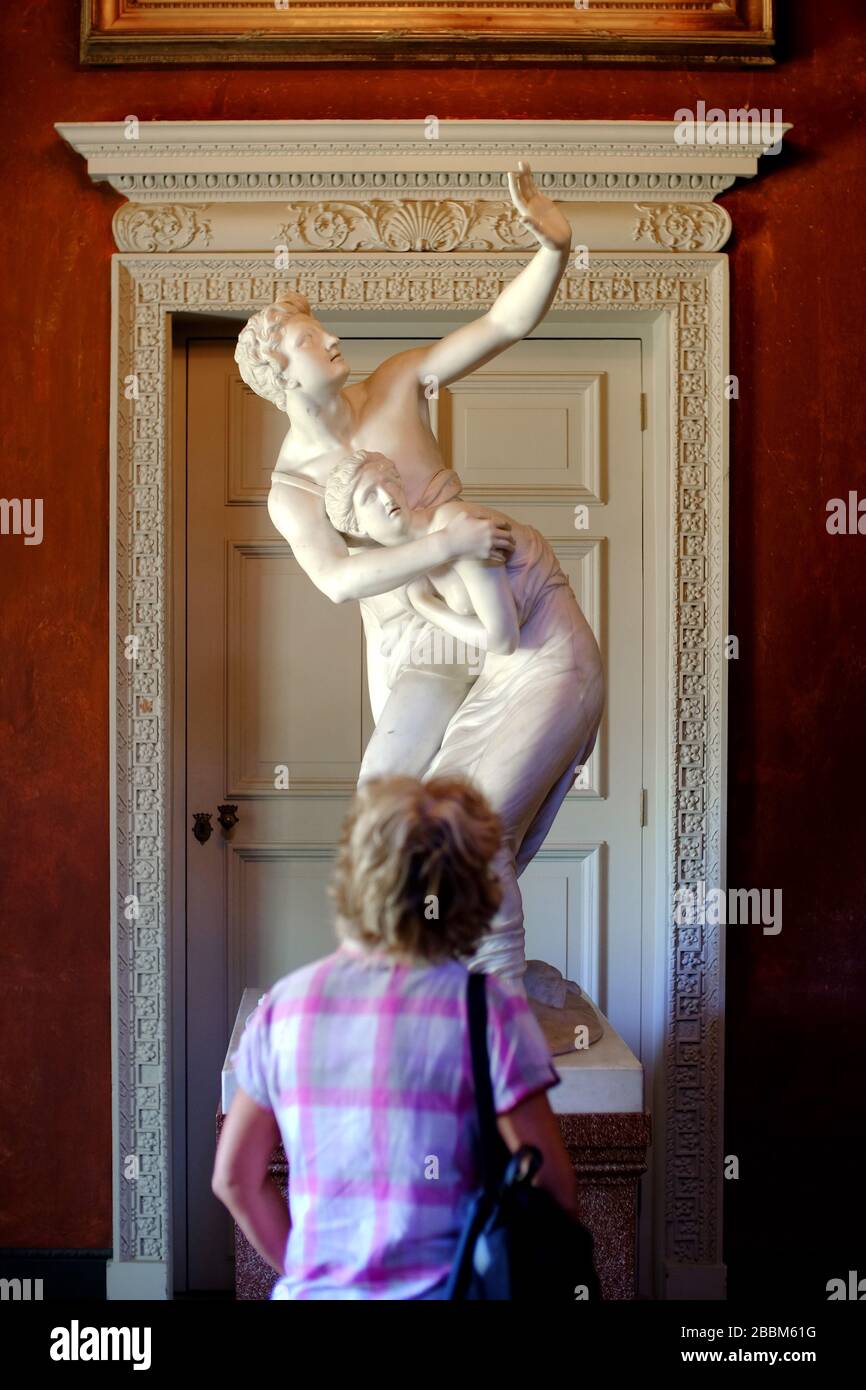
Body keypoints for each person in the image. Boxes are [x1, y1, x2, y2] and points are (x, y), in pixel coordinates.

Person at [212, 775, 584, 1301]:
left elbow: (235, 1179)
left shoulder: (283, 1010)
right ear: (470, 890)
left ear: (356, 877)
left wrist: (312, 1273)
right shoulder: (487, 1011)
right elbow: (554, 1191)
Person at [323, 448, 605, 979]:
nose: (385, 497)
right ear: (355, 527)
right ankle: (449, 973)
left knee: (479, 828)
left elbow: (501, 636)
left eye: (388, 482)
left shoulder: (460, 528)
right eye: (368, 497)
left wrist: (426, 606)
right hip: (504, 681)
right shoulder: (421, 556)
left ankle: (500, 993)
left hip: (553, 669)